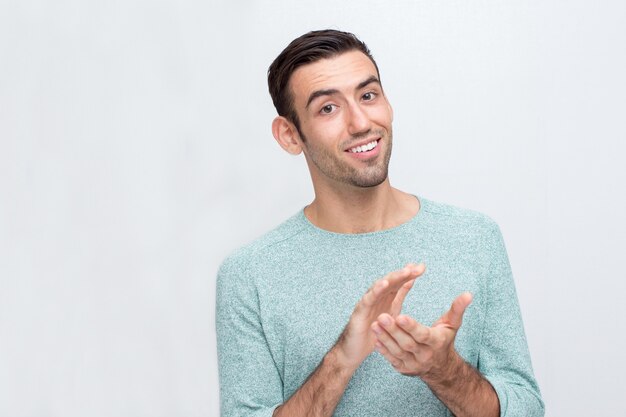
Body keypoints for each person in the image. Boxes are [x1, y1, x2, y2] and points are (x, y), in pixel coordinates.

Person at [216, 29, 544, 417]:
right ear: (289, 135)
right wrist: (342, 359)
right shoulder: (249, 274)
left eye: (368, 96)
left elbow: (527, 408)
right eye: (328, 108)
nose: (360, 123)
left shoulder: (474, 238)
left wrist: (443, 371)